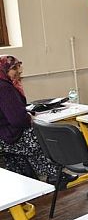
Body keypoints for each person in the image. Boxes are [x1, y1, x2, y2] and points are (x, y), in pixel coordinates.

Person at [0, 55, 77, 187]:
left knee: (29, 142)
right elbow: (18, 120)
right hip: (7, 135)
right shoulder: (4, 88)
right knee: (42, 134)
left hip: (3, 134)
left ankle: (27, 179)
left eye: (18, 67)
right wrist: (29, 117)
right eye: (14, 69)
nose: (18, 72)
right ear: (4, 69)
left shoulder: (4, 84)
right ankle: (55, 174)